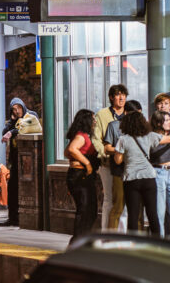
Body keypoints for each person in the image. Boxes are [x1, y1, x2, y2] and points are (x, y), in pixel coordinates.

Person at [114, 109, 170, 235]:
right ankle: (158, 243)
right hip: (149, 178)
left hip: (132, 179)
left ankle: (132, 245)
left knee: (133, 214)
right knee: (153, 215)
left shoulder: (123, 139)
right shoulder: (150, 136)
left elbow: (118, 160)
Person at [91, 84, 128, 230]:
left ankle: (123, 233)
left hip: (127, 165)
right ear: (111, 97)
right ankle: (106, 232)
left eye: (123, 94)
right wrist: (104, 154)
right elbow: (96, 138)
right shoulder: (102, 114)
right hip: (107, 164)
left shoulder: (128, 113)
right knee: (109, 200)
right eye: (118, 95)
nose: (121, 98)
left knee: (124, 200)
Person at [102, 100, 139, 232]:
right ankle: (111, 239)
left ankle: (137, 241)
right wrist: (122, 149)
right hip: (119, 171)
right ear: (126, 113)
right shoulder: (114, 126)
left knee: (137, 209)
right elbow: (107, 148)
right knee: (118, 206)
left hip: (137, 172)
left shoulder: (142, 128)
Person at [65, 109, 99, 242]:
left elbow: (67, 152)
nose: (95, 121)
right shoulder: (81, 136)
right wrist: (87, 163)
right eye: (93, 118)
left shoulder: (81, 135)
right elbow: (72, 150)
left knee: (90, 210)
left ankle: (82, 240)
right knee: (85, 210)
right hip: (79, 176)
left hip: (81, 176)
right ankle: (77, 243)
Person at [0, 97, 35, 227]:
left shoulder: (31, 115)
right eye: (14, 109)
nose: (17, 111)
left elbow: (25, 127)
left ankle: (26, 217)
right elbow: (4, 132)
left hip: (29, 159)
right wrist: (12, 121)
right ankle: (13, 217)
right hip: (16, 159)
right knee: (12, 189)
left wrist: (12, 131)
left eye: (18, 108)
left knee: (27, 188)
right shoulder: (13, 120)